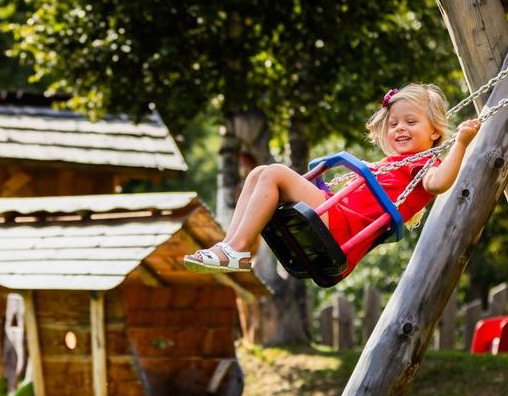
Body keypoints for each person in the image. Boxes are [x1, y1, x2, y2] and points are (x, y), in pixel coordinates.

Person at [183, 83, 481, 277]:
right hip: (337, 218)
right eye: (394, 123)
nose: (400, 128)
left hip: (342, 228)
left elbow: (439, 183)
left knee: (273, 173)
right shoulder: (394, 163)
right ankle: (231, 246)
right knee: (258, 173)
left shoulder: (426, 164)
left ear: (434, 132)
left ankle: (237, 250)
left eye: (411, 122)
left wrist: (461, 143)